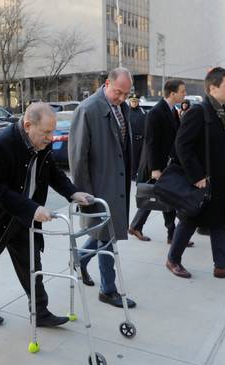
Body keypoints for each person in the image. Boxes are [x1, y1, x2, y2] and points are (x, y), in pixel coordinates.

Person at [0, 103, 93, 327]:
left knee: (31, 264)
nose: (50, 137)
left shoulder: (40, 144)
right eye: (46, 132)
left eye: (52, 131)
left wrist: (73, 193)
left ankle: (40, 312)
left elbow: (54, 173)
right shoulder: (0, 144)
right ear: (28, 125)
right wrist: (33, 209)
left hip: (21, 215)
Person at [166, 67, 225, 281]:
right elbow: (182, 146)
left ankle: (223, 266)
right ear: (213, 88)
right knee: (189, 221)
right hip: (203, 182)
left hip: (220, 181)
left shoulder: (221, 110)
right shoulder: (199, 111)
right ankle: (173, 259)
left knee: (218, 222)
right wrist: (197, 176)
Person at [68, 67, 137, 308]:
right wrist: (82, 195)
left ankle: (79, 259)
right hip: (99, 187)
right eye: (118, 92)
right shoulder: (87, 109)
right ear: (107, 83)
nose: (121, 98)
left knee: (105, 235)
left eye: (126, 94)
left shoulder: (121, 108)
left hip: (115, 182)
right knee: (108, 237)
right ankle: (108, 289)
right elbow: (77, 157)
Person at [129, 79, 194, 247]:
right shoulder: (156, 112)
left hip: (168, 163)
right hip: (156, 165)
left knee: (163, 198)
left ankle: (166, 233)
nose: (184, 94)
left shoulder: (173, 110)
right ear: (172, 94)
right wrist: (155, 169)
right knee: (156, 197)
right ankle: (168, 234)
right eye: (182, 91)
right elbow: (151, 142)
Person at [128, 95, 146, 180]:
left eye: (136, 102)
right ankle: (132, 175)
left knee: (141, 158)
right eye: (132, 101)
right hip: (132, 139)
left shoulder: (142, 111)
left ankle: (141, 174)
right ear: (130, 102)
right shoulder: (126, 111)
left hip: (142, 138)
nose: (134, 103)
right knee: (133, 158)